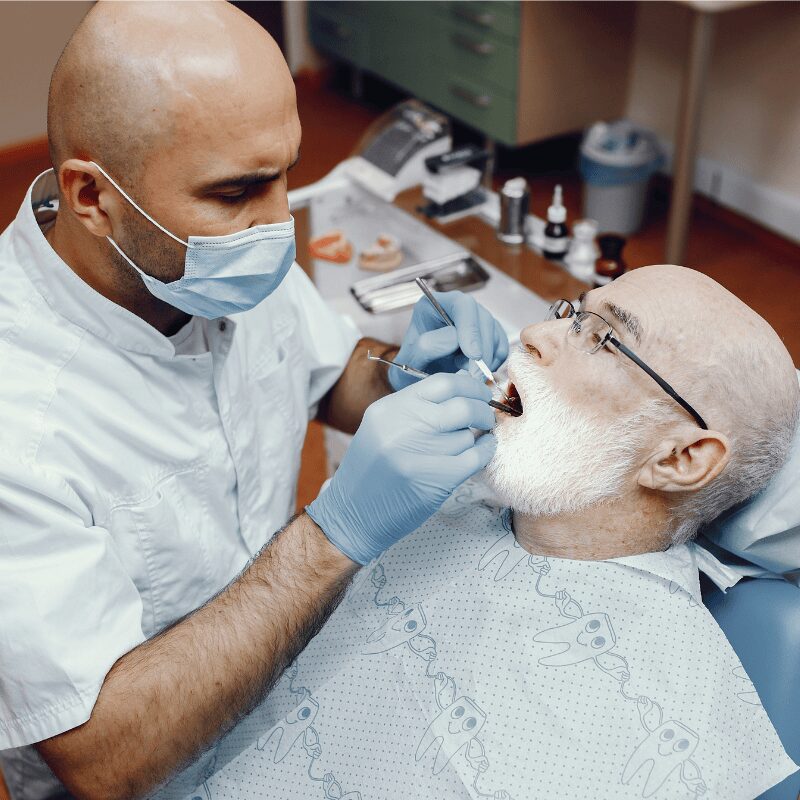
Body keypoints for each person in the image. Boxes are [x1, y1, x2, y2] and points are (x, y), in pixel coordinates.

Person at [0, 3, 509, 799]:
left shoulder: (197, 253)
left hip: (296, 687)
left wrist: (398, 372)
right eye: (238, 191)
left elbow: (325, 374)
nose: (277, 225)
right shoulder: (20, 425)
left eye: (285, 174)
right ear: (92, 198)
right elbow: (102, 758)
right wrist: (334, 536)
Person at [168, 265, 800, 800]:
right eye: (570, 313)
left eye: (601, 338)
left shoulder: (658, 713)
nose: (533, 334)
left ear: (680, 459)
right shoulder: (448, 500)